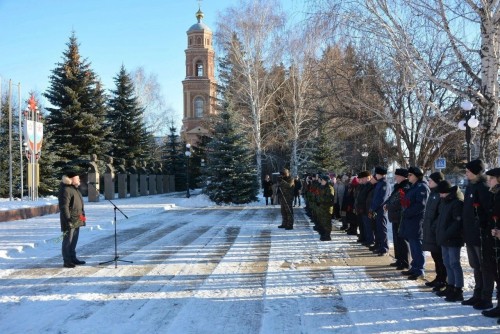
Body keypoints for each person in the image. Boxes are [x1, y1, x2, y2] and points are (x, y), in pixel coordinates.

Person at [461, 159, 493, 309]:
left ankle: (486, 297)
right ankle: (477, 293)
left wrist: (483, 228)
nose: (466, 173)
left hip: (480, 235)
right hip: (470, 234)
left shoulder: (483, 187)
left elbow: (487, 212)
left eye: (468, 171)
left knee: (484, 267)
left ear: (475, 172)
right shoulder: (470, 187)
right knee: (475, 265)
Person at [435, 180, 464, 302]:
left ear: (445, 192)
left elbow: (457, 222)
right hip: (444, 238)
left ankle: (458, 290)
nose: (439, 196)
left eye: (441, 193)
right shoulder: (445, 202)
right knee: (447, 263)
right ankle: (450, 286)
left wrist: (446, 234)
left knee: (454, 264)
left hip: (453, 239)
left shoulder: (456, 202)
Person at [400, 166, 430, 280]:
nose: (408, 177)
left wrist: (407, 212)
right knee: (413, 244)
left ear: (416, 176)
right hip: (410, 220)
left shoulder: (422, 187)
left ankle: (419, 269)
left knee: (417, 245)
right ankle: (414, 267)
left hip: (417, 220)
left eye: (410, 175)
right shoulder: (413, 186)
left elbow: (421, 205)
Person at [423, 172, 447, 291]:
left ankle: (443, 279)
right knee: (435, 255)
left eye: (431, 180)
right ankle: (438, 277)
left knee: (440, 257)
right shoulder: (433, 193)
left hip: (436, 231)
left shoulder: (439, 194)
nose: (429, 182)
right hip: (431, 230)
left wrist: (433, 227)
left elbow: (440, 214)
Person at [482, 167, 500, 319]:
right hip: (493, 239)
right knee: (496, 273)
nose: (489, 181)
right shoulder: (494, 194)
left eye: (492, 178)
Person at [58, 170, 86, 268]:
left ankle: (73, 258)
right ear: (71, 179)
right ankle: (67, 261)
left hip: (77, 218)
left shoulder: (74, 188)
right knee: (68, 241)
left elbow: (79, 205)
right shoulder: (66, 189)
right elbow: (64, 207)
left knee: (74, 240)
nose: (79, 179)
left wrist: (82, 217)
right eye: (77, 178)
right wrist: (68, 220)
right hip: (69, 220)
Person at [384, 168, 411, 269]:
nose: (395, 177)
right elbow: (391, 199)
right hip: (395, 216)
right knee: (396, 239)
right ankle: (399, 259)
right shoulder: (397, 186)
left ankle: (404, 261)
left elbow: (401, 202)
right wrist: (387, 204)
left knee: (402, 240)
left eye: (397, 176)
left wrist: (390, 205)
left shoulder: (405, 186)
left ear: (402, 177)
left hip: (400, 216)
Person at [369, 166, 391, 256]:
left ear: (380, 174)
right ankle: (378, 245)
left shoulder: (385, 184)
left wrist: (373, 208)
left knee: (382, 229)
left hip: (381, 210)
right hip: (376, 210)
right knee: (377, 229)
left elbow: (381, 199)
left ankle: (384, 247)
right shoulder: (379, 183)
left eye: (376, 174)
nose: (375, 176)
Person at [317, 174, 335, 241]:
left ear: (326, 181)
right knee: (322, 221)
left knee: (327, 222)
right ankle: (323, 233)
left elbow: (329, 198)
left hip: (327, 208)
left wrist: (320, 199)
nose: (321, 181)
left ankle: (327, 235)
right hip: (322, 207)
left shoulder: (329, 188)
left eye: (323, 180)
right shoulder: (322, 187)